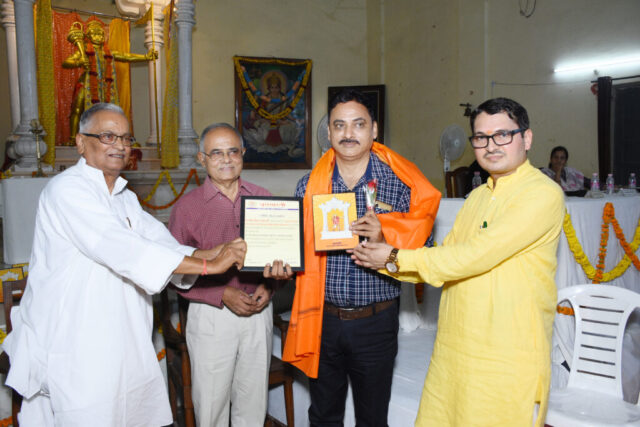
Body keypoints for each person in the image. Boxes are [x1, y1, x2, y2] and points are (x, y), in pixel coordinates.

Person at [1, 103, 249, 426]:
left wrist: (216, 252)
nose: (119, 145)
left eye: (125, 138)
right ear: (81, 142)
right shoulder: (67, 190)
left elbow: (164, 246)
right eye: (108, 136)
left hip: (125, 340)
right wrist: (210, 267)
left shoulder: (125, 197)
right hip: (79, 342)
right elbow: (122, 248)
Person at [352, 97, 565, 427]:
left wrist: (393, 256)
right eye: (481, 137)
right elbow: (445, 257)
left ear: (527, 138)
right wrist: (384, 256)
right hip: (455, 349)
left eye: (502, 135)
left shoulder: (542, 194)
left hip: (505, 352)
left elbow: (473, 256)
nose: (490, 146)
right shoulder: (478, 196)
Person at [283, 89, 441, 426]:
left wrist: (386, 236)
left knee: (372, 418)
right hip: (322, 319)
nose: (348, 133)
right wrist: (278, 262)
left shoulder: (401, 184)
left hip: (375, 322)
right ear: (329, 133)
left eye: (358, 124)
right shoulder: (309, 185)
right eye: (339, 125)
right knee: (323, 416)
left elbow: (425, 251)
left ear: (374, 130)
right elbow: (295, 248)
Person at [169, 123, 292, 426]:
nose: (226, 159)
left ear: (243, 153)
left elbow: (278, 254)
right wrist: (221, 293)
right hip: (211, 314)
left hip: (258, 310)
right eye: (216, 153)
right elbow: (173, 272)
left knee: (253, 403)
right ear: (202, 158)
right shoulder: (186, 208)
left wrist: (270, 286)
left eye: (233, 151)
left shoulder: (264, 198)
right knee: (211, 405)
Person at [63, 20, 157, 143]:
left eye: (100, 34)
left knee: (110, 113)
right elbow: (66, 63)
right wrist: (79, 62)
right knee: (77, 109)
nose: (98, 37)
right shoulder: (84, 51)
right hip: (87, 85)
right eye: (94, 34)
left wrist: (146, 57)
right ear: (89, 36)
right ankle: (72, 139)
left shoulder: (108, 53)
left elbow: (126, 56)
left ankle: (112, 137)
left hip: (105, 87)